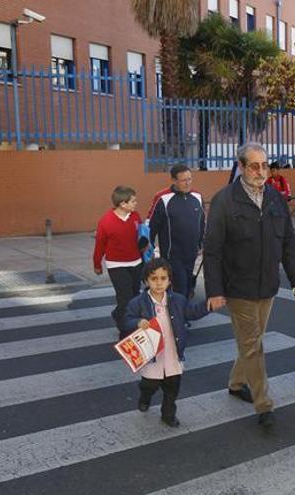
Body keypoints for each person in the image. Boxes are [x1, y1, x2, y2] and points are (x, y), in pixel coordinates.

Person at [203, 142, 295, 427]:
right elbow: (212, 250)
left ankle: (236, 384)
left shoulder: (274, 198)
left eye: (265, 165)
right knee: (253, 346)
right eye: (254, 166)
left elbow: (287, 243)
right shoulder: (225, 200)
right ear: (241, 166)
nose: (261, 171)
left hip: (268, 285)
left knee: (252, 340)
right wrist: (214, 290)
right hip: (238, 287)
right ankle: (264, 405)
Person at [124, 258, 210, 427]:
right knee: (150, 384)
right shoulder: (138, 303)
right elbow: (126, 320)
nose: (159, 283)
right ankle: (145, 395)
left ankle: (168, 414)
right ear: (146, 281)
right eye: (154, 278)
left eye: (163, 278)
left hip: (172, 354)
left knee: (172, 388)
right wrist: (137, 322)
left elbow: (192, 312)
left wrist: (208, 305)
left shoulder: (178, 300)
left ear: (169, 280)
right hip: (152, 357)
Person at [92, 185, 144, 336]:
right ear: (123, 203)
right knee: (125, 298)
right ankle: (125, 329)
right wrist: (97, 264)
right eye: (133, 201)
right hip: (117, 265)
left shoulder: (135, 216)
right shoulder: (106, 222)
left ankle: (118, 313)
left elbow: (141, 235)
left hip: (136, 262)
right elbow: (99, 245)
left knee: (134, 296)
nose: (136, 203)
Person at [148, 165, 205, 299]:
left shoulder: (197, 197)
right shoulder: (163, 198)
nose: (188, 183)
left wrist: (202, 244)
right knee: (180, 288)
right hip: (172, 255)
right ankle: (178, 317)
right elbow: (151, 226)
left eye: (190, 179)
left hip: (192, 254)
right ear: (174, 180)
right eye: (183, 180)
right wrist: (148, 248)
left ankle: (178, 313)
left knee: (186, 286)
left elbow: (202, 223)